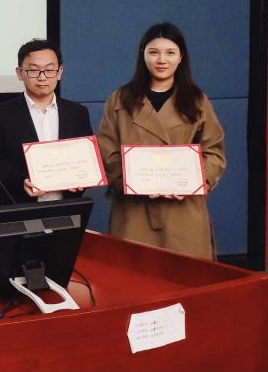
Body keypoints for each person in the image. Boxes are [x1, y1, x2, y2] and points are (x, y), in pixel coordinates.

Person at [96, 22, 225, 259]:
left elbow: (214, 152)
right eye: (154, 52)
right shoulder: (120, 99)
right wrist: (132, 182)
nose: (161, 60)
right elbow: (107, 151)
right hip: (134, 213)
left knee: (186, 276)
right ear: (143, 54)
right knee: (134, 275)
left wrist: (193, 181)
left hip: (183, 211)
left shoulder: (197, 100)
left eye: (170, 52)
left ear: (181, 57)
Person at [0, 39, 94, 205]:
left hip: (67, 205)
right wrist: (20, 180)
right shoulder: (0, 113)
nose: (42, 77)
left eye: (49, 70)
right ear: (19, 73)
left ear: (59, 72)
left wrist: (82, 178)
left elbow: (86, 157)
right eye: (34, 70)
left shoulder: (77, 113)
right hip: (18, 205)